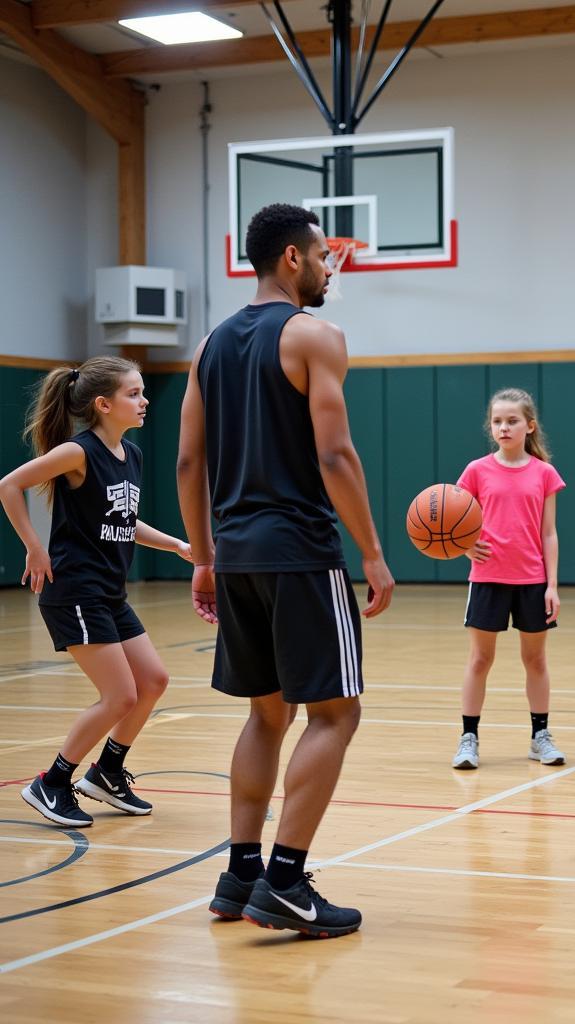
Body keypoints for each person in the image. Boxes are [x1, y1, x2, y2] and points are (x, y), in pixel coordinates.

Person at [177, 202, 395, 939]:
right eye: (324, 256)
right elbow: (335, 455)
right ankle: (287, 881)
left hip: (234, 554)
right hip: (299, 551)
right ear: (293, 260)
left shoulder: (208, 345)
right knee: (337, 712)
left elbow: (187, 461)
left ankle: (240, 873)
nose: (333, 269)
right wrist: (370, 550)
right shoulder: (314, 336)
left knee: (266, 714)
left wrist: (204, 558)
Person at [0, 357, 190, 828]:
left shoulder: (132, 455)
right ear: (104, 404)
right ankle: (53, 782)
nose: (144, 401)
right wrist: (33, 547)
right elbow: (9, 485)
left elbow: (124, 522)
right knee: (120, 696)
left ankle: (105, 774)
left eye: (143, 391)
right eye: (134, 393)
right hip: (75, 591)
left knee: (153, 681)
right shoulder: (78, 452)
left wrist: (175, 544)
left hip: (108, 592)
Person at [450, 388, 566, 771]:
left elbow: (549, 533)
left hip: (532, 580)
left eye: (512, 420)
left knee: (535, 660)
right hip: (487, 578)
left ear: (529, 426)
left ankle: (540, 737)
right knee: (480, 659)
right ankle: (469, 739)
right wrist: (465, 547)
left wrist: (552, 585)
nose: (504, 427)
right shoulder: (476, 470)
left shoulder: (544, 473)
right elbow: (454, 520)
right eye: (497, 421)